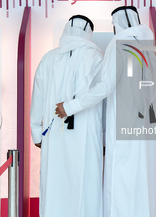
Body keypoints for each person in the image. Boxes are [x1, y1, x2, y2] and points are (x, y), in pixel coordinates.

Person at [56, 6, 156, 217]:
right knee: (143, 181)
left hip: (125, 126)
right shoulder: (149, 48)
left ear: (117, 24)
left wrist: (70, 106)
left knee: (121, 183)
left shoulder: (119, 45)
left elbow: (104, 87)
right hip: (147, 126)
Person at [30, 15, 104, 217]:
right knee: (87, 185)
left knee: (55, 185)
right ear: (89, 32)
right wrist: (105, 137)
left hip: (54, 136)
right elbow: (104, 100)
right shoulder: (97, 57)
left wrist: (37, 133)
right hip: (88, 135)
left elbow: (37, 97)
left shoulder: (48, 58)